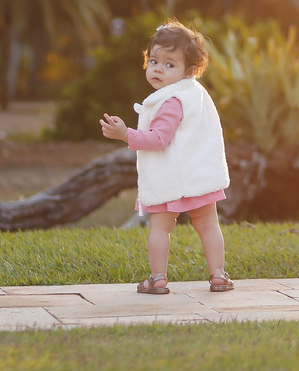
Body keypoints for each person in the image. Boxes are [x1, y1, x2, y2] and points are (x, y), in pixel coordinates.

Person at [99, 19, 233, 294]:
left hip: (172, 179)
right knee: (208, 225)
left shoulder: (172, 101)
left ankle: (157, 278)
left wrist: (126, 134)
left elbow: (159, 139)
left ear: (189, 70)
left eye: (170, 64)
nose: (159, 68)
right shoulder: (193, 94)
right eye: (154, 61)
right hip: (197, 175)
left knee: (160, 229)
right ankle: (218, 275)